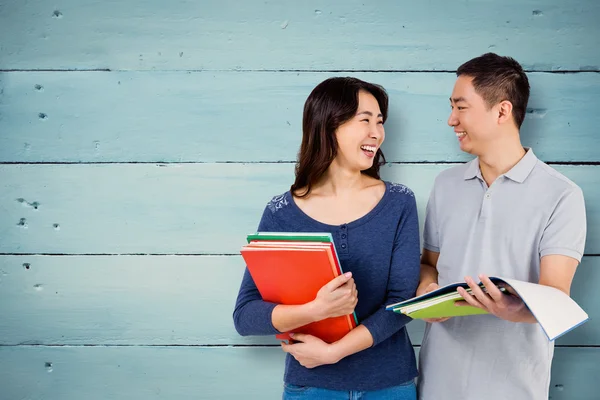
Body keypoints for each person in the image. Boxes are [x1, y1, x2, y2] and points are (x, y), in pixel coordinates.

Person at [233, 77, 421, 399]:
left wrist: (335, 352)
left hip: (389, 385)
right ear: (329, 125)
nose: (377, 133)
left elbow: (402, 303)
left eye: (380, 122)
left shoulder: (399, 202)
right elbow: (246, 315)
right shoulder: (282, 212)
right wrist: (316, 310)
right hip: (310, 386)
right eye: (365, 120)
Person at [417, 53, 587, 400]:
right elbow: (428, 265)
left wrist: (513, 309)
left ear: (502, 111)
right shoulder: (446, 184)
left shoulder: (562, 195)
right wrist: (425, 291)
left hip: (514, 388)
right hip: (437, 382)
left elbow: (556, 297)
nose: (451, 120)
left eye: (461, 107)